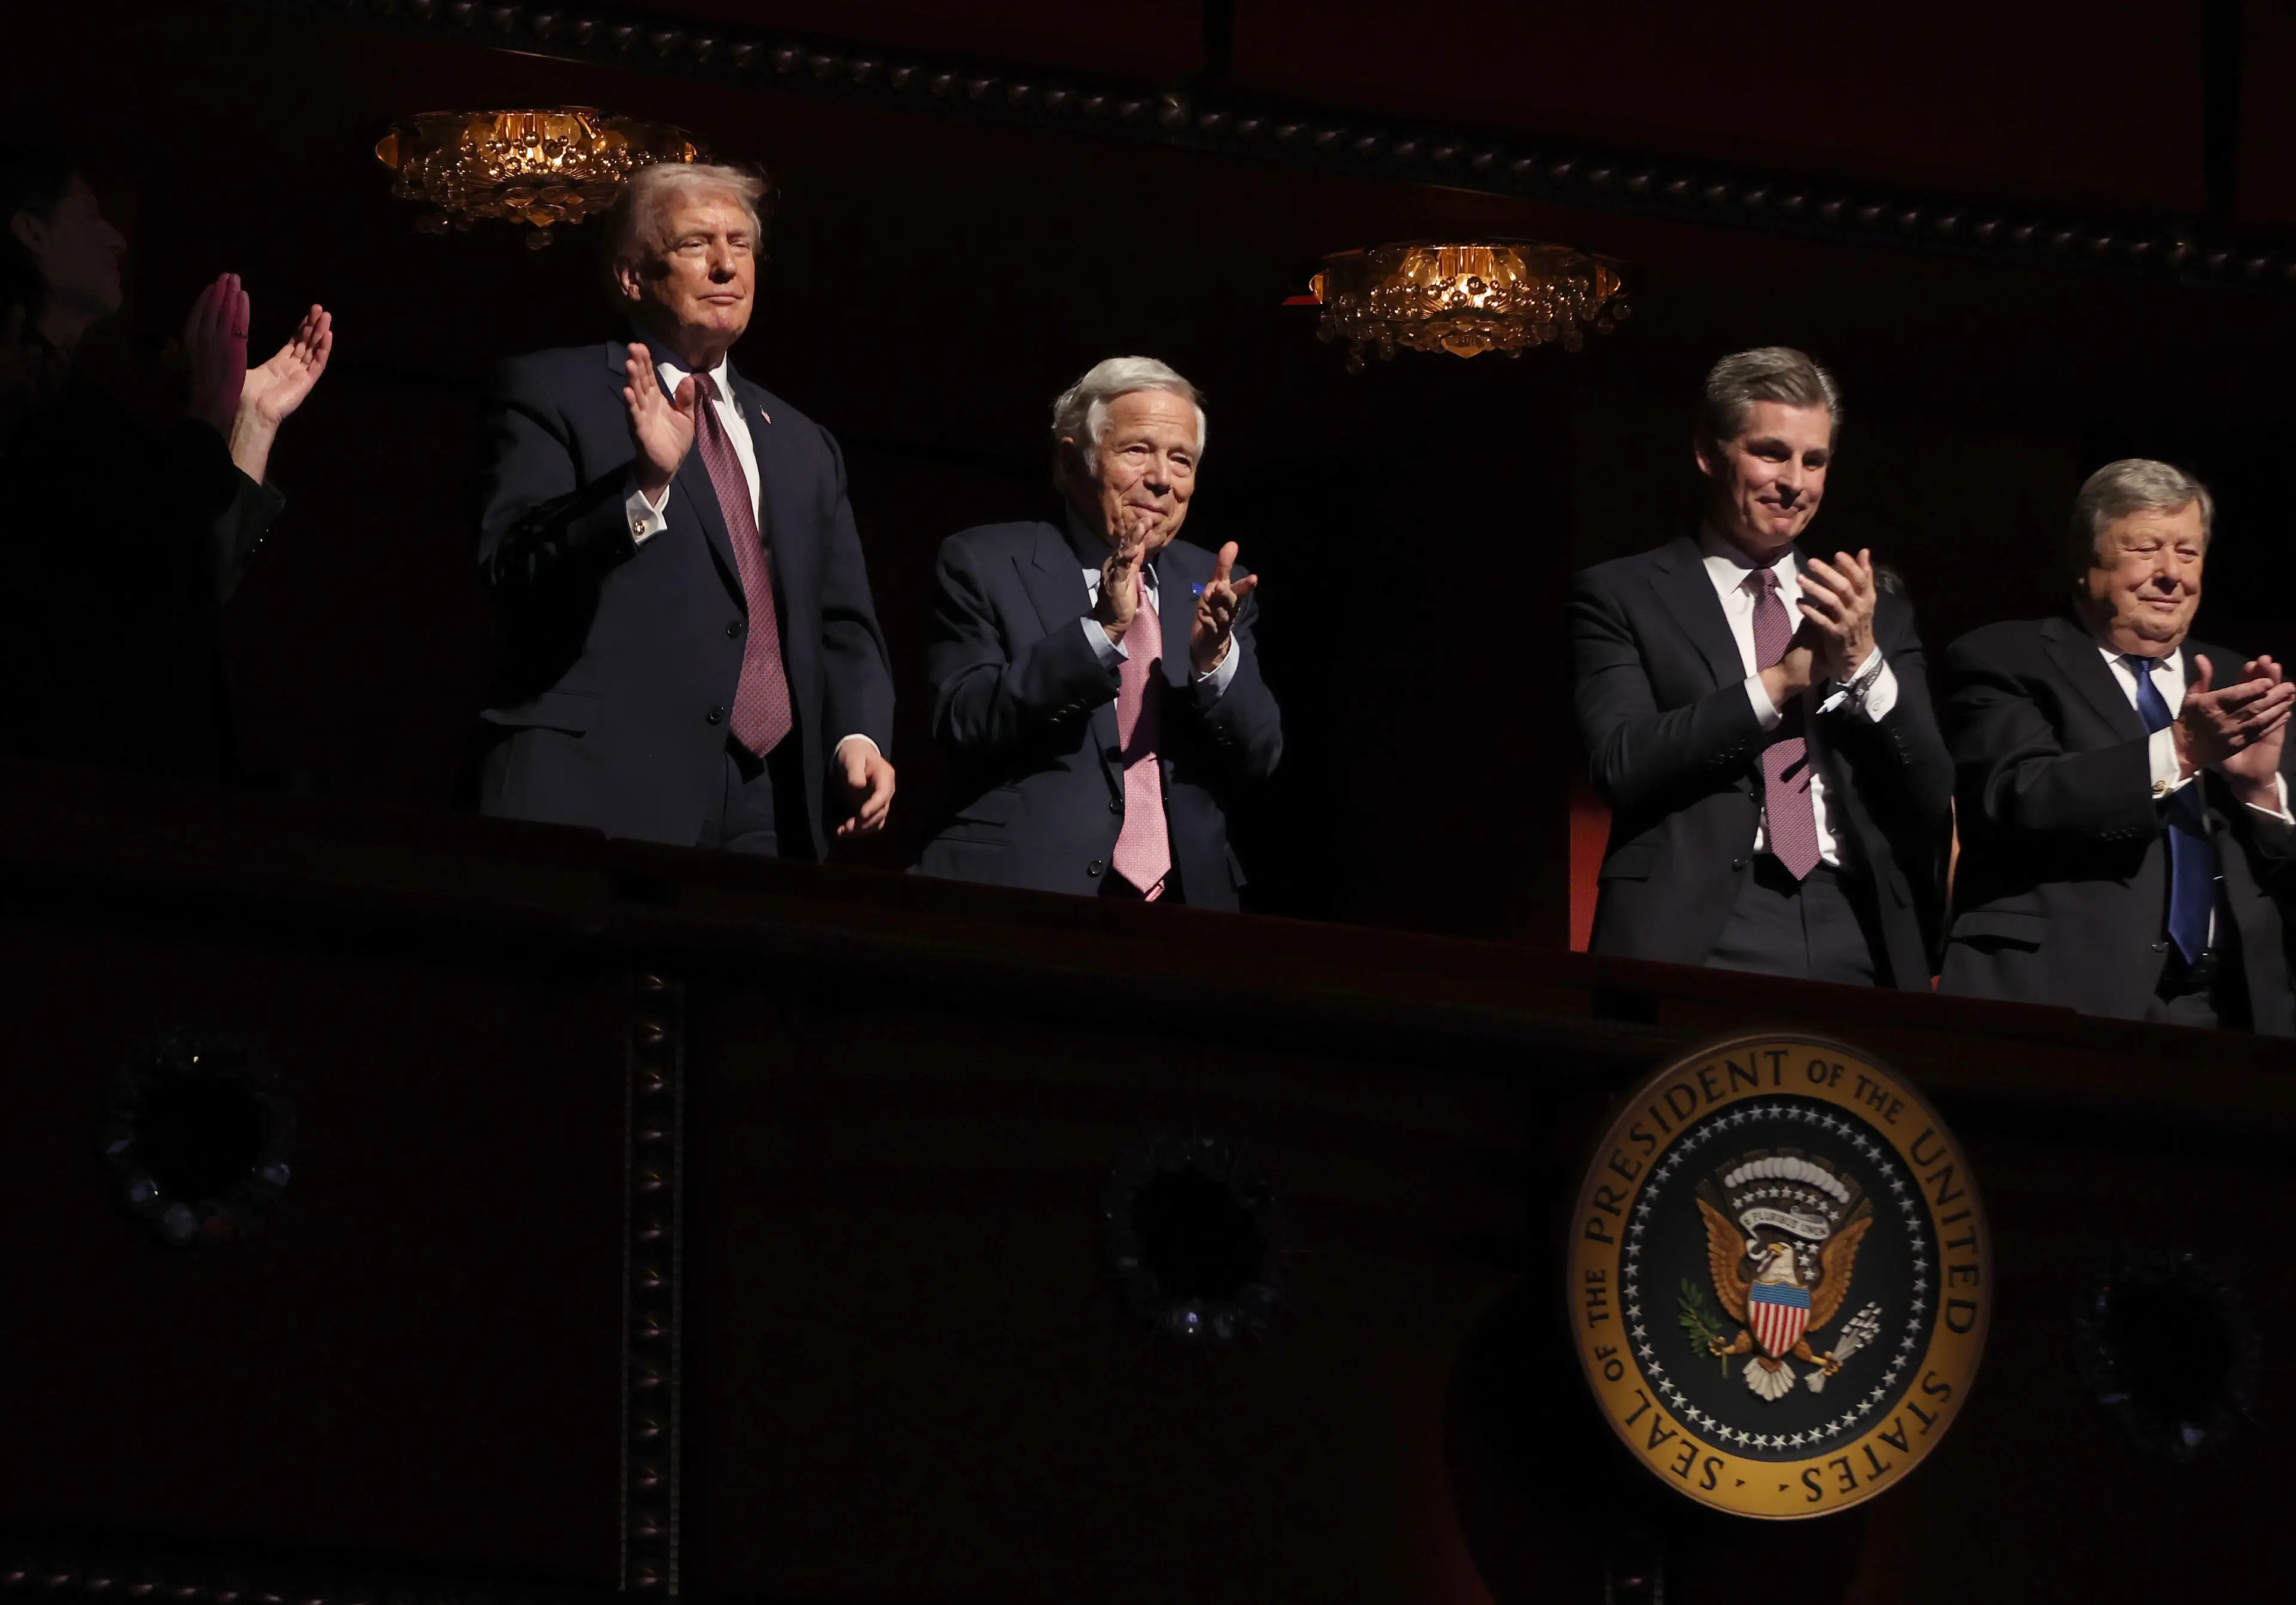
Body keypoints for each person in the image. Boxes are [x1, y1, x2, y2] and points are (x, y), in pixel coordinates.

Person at [470, 161, 895, 856]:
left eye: (741, 245)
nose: (727, 265)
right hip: (599, 786)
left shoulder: (804, 443)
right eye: (697, 244)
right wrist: (643, 486)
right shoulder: (548, 390)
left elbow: (842, 622)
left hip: (772, 803)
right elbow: (515, 569)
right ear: (632, 276)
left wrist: (858, 735)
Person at [1567, 347, 1951, 985]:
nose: (1795, 482)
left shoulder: (1867, 609)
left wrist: (1864, 664)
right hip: (1698, 921)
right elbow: (1620, 762)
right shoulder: (1621, 595)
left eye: (1814, 461)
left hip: (1855, 920)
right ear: (1708, 452)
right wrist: (1781, 682)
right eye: (1772, 453)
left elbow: (1932, 787)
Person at [0, 145, 332, 780]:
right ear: (31, 231)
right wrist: (210, 405)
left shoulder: (88, 405)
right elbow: (149, 552)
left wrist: (251, 422)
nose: (118, 238)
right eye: (91, 215)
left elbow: (190, 586)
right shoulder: (32, 411)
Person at [1940, 460, 2294, 1032]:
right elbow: (2018, 797)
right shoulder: (2004, 658)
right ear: (2086, 561)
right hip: (2062, 1001)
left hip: (2231, 1016)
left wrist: (2261, 794)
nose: (2171, 573)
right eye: (2146, 549)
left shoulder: (2239, 682)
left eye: (2188, 552)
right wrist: (2181, 751)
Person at [917, 356, 1281, 907]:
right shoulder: (984, 562)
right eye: (1137, 450)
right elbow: (963, 722)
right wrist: (1100, 632)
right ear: (1071, 462)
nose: (1161, 478)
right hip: (1024, 895)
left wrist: (1215, 663)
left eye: (1181, 459)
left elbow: (1262, 755)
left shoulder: (1214, 586)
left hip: (1189, 911)